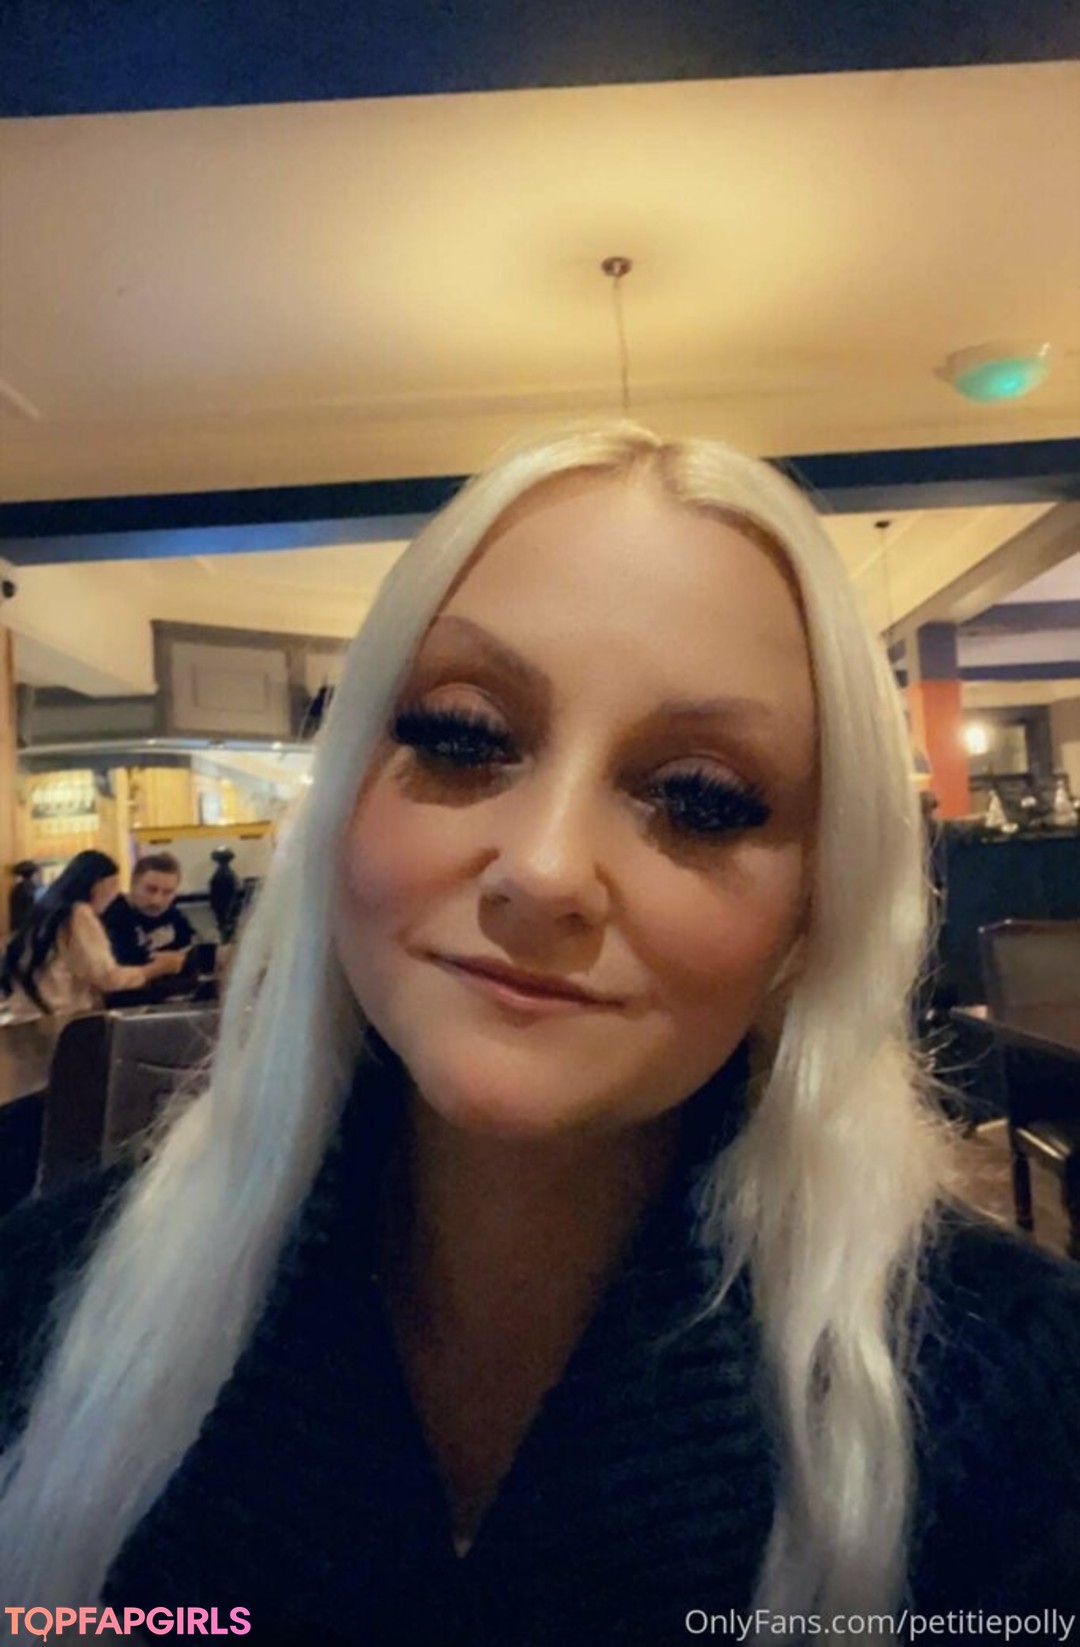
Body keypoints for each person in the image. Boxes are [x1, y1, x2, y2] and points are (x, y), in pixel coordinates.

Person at [0, 427, 1077, 1643]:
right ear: (346, 795)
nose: (547, 868)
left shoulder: (1018, 1406)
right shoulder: (39, 1302)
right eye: (462, 736)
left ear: (809, 916)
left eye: (702, 797)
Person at [0, 849, 188, 1021]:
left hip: (28, 1015)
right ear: (97, 885)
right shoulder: (79, 914)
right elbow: (107, 977)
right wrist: (156, 969)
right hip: (61, 1017)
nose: (114, 893)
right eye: (113, 885)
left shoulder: (48, 910)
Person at [102, 851, 195, 967]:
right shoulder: (111, 915)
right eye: (151, 890)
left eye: (167, 892)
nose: (157, 900)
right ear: (133, 884)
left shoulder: (175, 916)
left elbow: (191, 957)